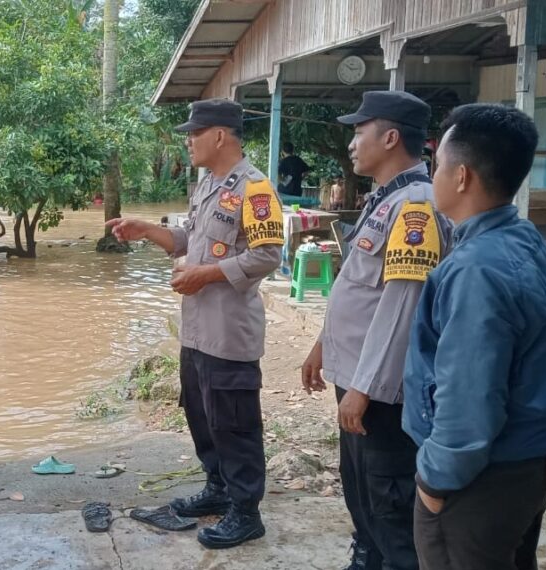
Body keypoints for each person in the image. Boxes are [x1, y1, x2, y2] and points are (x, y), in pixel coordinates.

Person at [403, 103, 546, 570]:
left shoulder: (476, 271)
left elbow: (469, 395)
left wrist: (433, 484)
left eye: (437, 166)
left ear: (462, 176)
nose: (433, 178)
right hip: (524, 468)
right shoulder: (529, 245)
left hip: (477, 481)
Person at [106, 98, 283, 549]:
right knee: (203, 417)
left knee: (235, 423)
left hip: (229, 332)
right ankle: (219, 490)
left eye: (194, 133)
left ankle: (246, 512)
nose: (188, 141)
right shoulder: (208, 185)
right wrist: (146, 229)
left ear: (219, 135)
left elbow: (268, 255)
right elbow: (188, 240)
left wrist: (204, 274)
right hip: (198, 330)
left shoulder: (255, 189)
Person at [300, 90, 452, 570]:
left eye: (359, 130)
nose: (352, 141)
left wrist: (363, 388)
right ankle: (366, 558)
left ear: (390, 138)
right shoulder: (384, 199)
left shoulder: (414, 207)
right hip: (359, 376)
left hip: (383, 390)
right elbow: (357, 289)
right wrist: (322, 346)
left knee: (390, 499)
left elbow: (401, 308)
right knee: (360, 485)